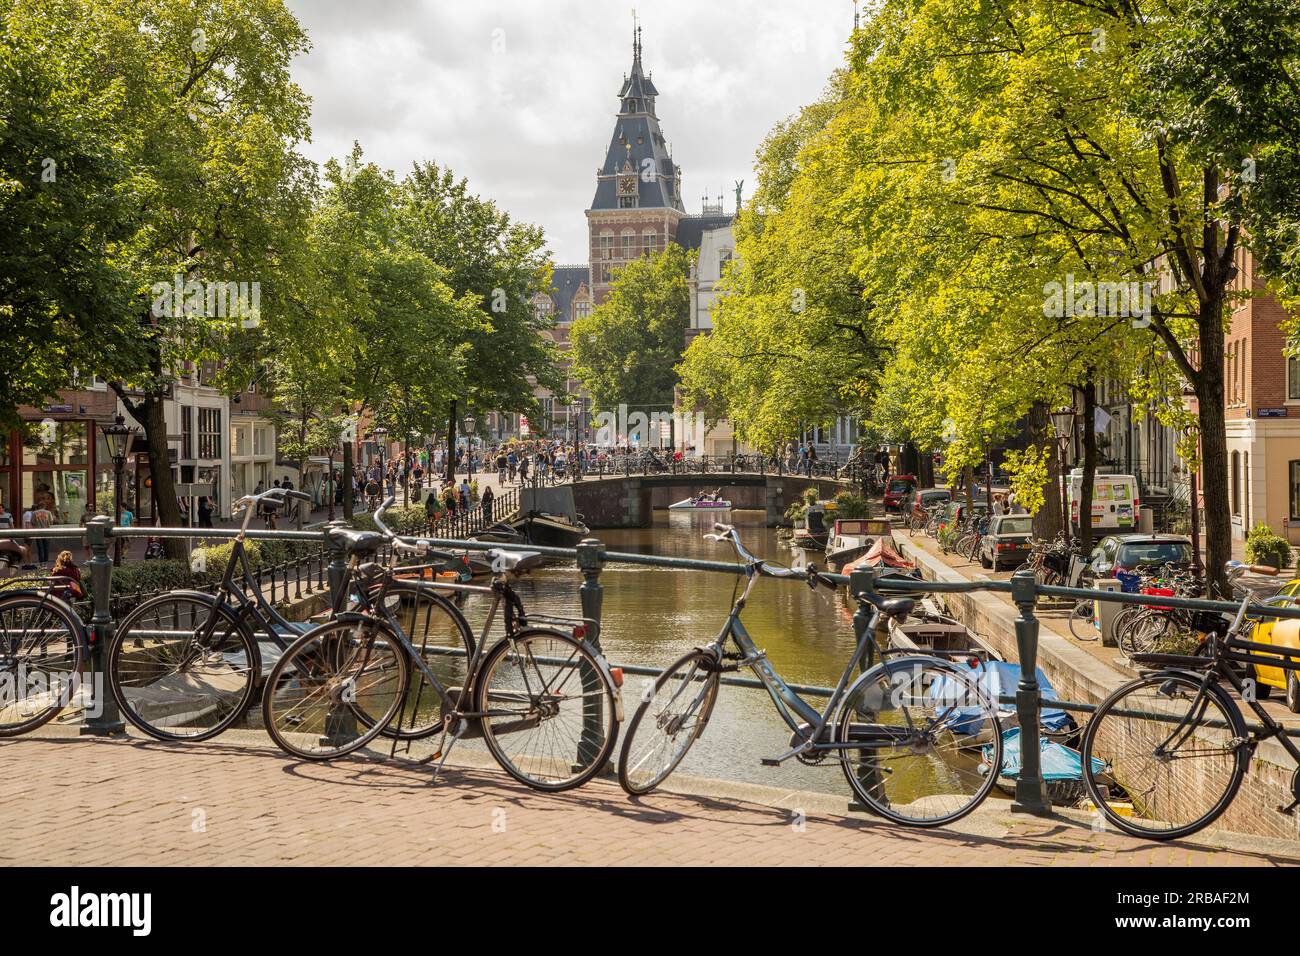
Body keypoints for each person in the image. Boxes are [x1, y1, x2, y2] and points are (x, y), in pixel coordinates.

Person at [29, 500, 54, 565]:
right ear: (44, 506)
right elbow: (51, 522)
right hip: (47, 532)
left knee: (40, 548)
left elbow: (33, 523)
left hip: (38, 532)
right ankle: (45, 563)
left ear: (38, 506)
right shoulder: (48, 513)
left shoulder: (34, 513)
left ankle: (41, 563)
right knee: (46, 548)